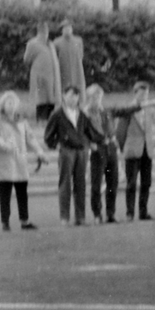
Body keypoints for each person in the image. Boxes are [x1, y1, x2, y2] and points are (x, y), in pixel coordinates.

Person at [0, 91, 52, 230]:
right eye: (9, 103)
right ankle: (5, 222)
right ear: (3, 104)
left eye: (14, 103)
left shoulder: (21, 119)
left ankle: (24, 221)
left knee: (22, 192)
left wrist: (40, 152)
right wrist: (3, 144)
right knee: (5, 193)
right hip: (5, 161)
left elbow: (30, 138)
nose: (12, 106)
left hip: (20, 160)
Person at [44, 85, 106, 226]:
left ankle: (80, 217)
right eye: (71, 95)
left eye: (76, 96)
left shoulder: (81, 114)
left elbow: (90, 131)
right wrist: (57, 145)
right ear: (64, 96)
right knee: (65, 184)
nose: (73, 99)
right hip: (66, 151)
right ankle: (64, 217)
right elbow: (48, 136)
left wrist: (101, 139)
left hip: (81, 151)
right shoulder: (58, 114)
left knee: (81, 184)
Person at [114, 81, 155, 221]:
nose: (144, 96)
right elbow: (120, 130)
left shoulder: (149, 110)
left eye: (146, 94)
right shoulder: (129, 108)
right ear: (135, 93)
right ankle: (130, 213)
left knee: (146, 183)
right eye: (141, 93)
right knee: (131, 183)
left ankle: (143, 212)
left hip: (147, 150)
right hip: (132, 150)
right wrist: (122, 148)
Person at [83, 83, 120, 223]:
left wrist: (113, 138)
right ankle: (97, 213)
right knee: (96, 183)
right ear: (89, 98)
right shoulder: (85, 114)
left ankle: (111, 213)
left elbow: (111, 128)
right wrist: (90, 144)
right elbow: (82, 132)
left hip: (110, 148)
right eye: (93, 97)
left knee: (112, 183)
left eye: (99, 96)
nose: (97, 99)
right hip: (97, 149)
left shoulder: (105, 111)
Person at [25, 22, 61, 123]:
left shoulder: (50, 44)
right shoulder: (32, 43)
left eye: (46, 31)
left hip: (51, 74)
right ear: (38, 32)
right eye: (42, 32)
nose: (45, 34)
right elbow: (27, 59)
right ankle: (40, 119)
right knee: (40, 97)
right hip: (38, 73)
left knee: (50, 96)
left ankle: (49, 118)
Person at [53, 20, 87, 98]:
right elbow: (55, 58)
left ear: (72, 29)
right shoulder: (57, 42)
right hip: (63, 70)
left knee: (78, 88)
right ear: (62, 30)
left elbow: (81, 55)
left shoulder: (78, 40)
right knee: (64, 89)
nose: (67, 30)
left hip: (77, 69)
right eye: (65, 28)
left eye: (69, 28)